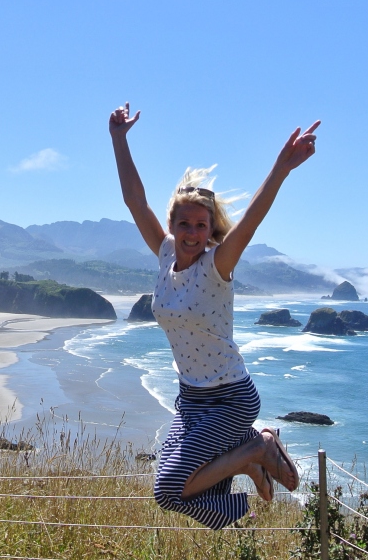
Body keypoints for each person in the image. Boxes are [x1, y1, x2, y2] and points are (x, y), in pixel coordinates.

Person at [109, 102, 319, 530]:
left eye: (201, 226)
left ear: (210, 230)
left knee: (169, 490)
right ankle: (248, 466)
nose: (191, 233)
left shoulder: (217, 266)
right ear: (172, 224)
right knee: (178, 490)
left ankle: (254, 451)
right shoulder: (166, 253)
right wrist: (118, 138)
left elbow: (251, 223)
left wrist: (281, 167)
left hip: (231, 399)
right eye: (183, 224)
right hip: (190, 399)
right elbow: (134, 201)